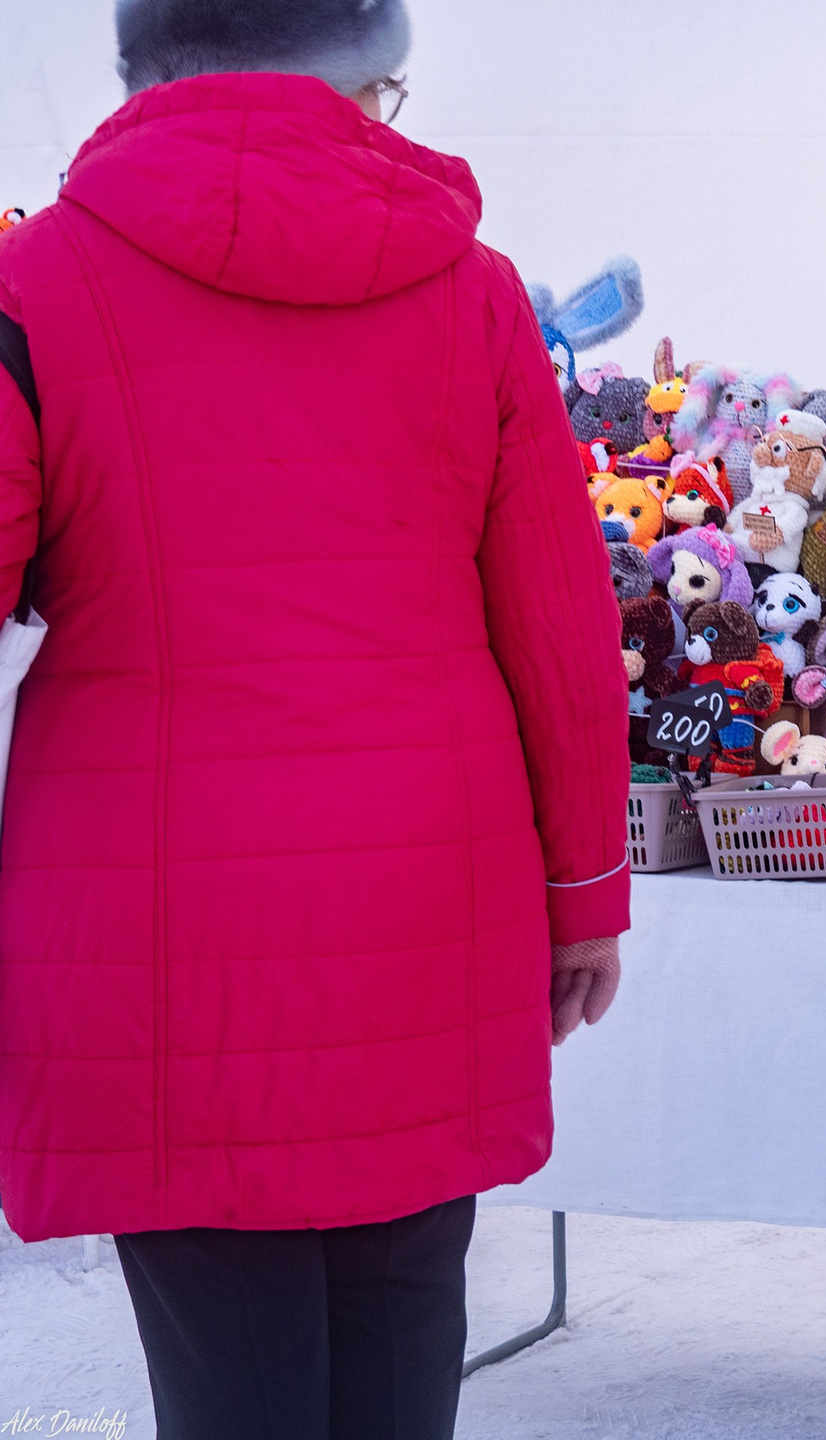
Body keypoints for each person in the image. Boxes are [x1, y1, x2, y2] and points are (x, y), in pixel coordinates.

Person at [0, 3, 631, 1437]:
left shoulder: (36, 284)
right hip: (428, 894)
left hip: (154, 920)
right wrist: (586, 894)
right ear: (355, 75)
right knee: (403, 1343)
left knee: (229, 1370)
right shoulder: (474, 292)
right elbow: (559, 626)